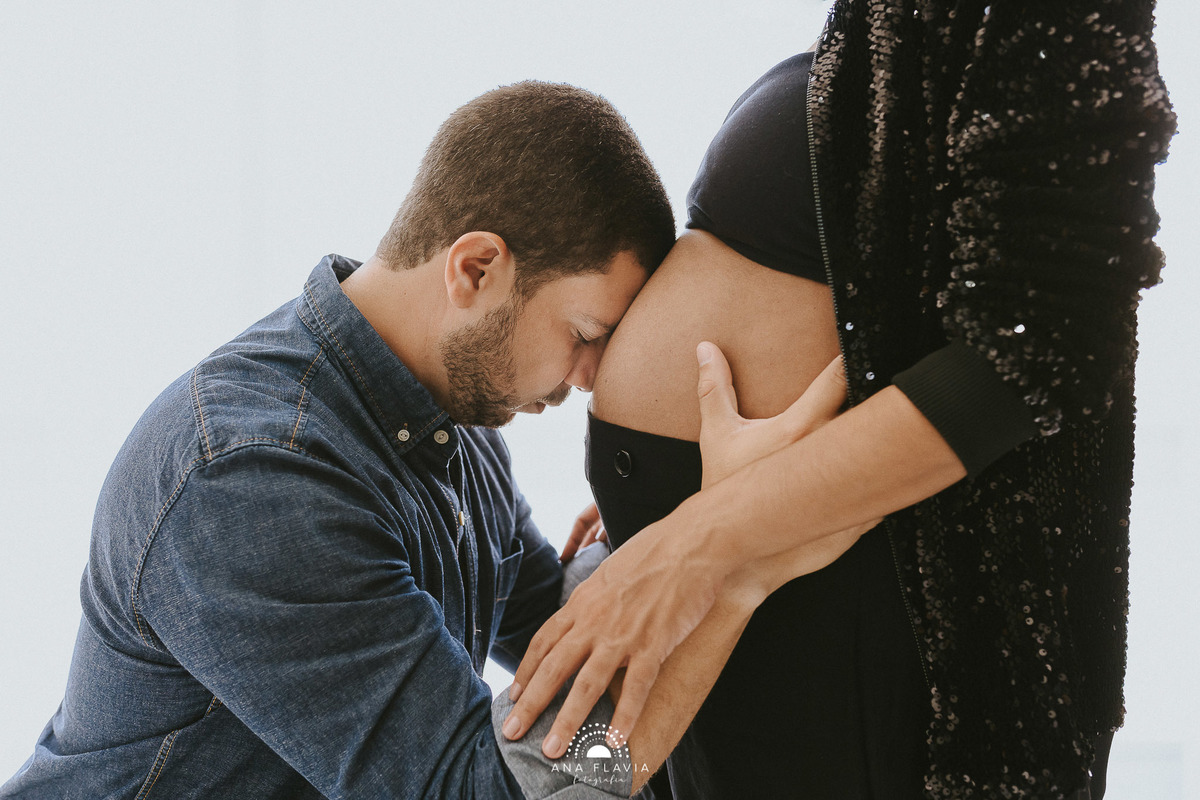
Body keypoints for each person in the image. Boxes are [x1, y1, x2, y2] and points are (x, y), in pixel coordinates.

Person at [503, 2, 1176, 798]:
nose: (578, 377)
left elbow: (1042, 343)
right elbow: (583, 783)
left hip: (838, 616)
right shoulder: (371, 482)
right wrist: (705, 554)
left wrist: (700, 542)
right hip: (760, 596)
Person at [0, 80, 702, 799]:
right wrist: (719, 554)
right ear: (476, 269)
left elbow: (559, 641)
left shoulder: (457, 435)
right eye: (587, 336)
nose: (590, 379)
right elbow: (477, 790)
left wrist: (648, 551)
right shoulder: (255, 477)